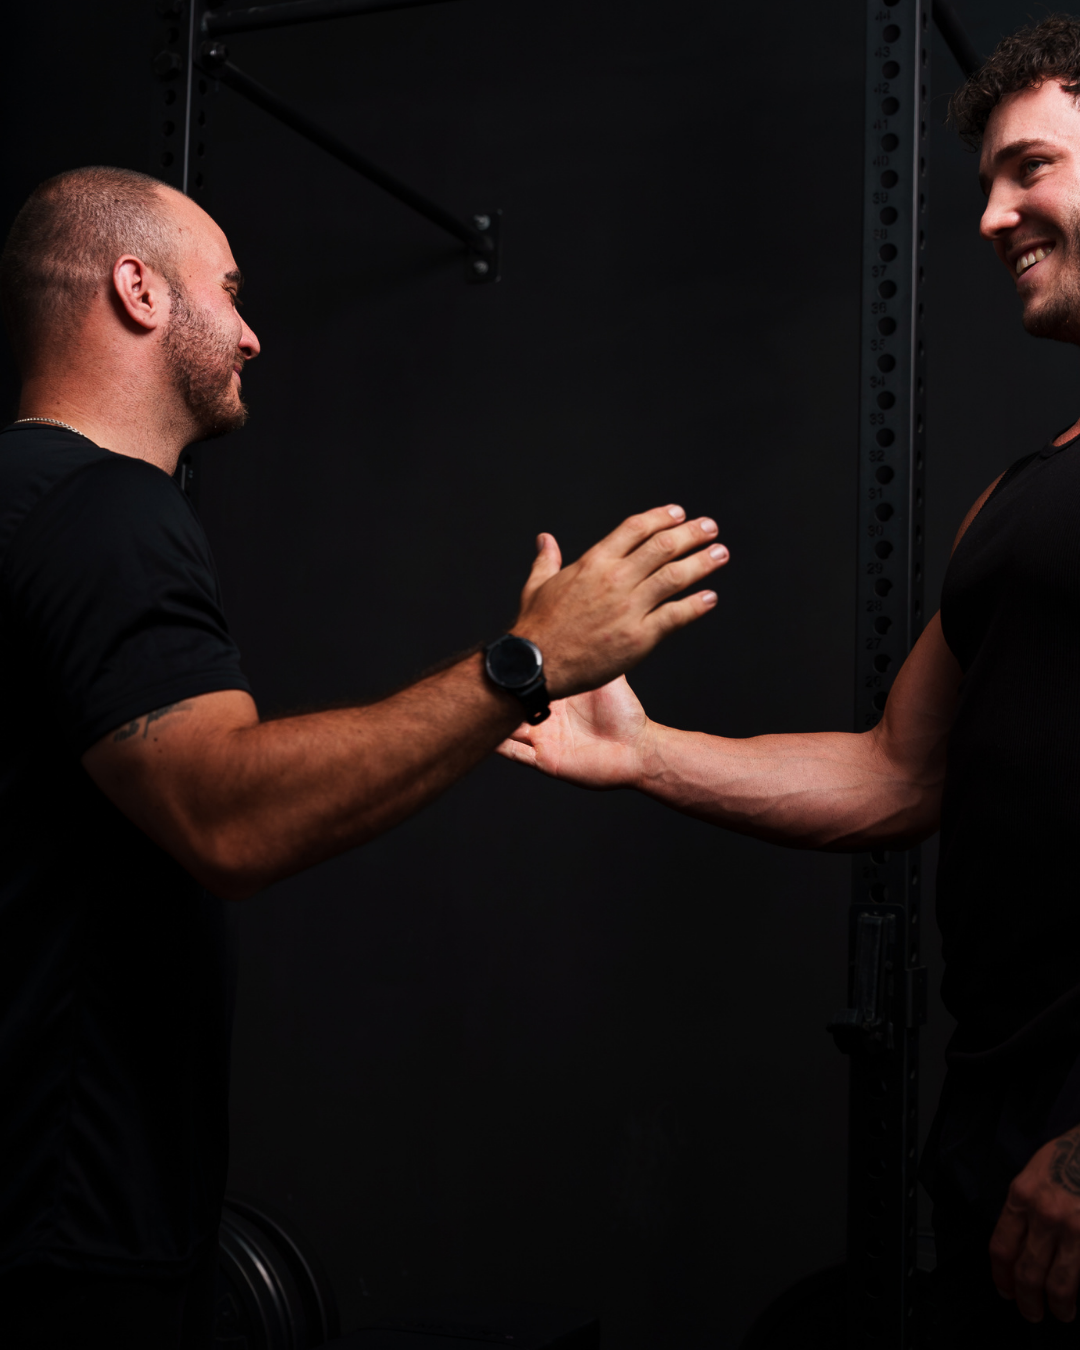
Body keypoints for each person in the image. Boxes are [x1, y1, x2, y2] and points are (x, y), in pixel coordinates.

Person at [0, 165, 729, 1348]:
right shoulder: (104, 512)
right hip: (65, 1236)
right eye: (226, 291)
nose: (248, 333)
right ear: (136, 289)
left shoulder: (26, 500)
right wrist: (526, 662)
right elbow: (222, 814)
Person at [500, 15, 1080, 1347]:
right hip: (998, 1129)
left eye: (1030, 167)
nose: (991, 216)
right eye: (985, 182)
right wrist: (646, 751)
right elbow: (899, 768)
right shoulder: (1018, 496)